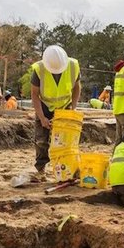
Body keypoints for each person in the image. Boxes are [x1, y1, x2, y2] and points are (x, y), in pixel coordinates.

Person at [30, 45, 81, 181]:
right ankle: (40, 168)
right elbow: (34, 95)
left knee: (65, 140)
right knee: (41, 140)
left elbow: (77, 87)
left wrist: (73, 107)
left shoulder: (73, 66)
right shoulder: (38, 69)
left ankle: (66, 168)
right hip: (45, 105)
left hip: (65, 106)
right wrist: (42, 118)